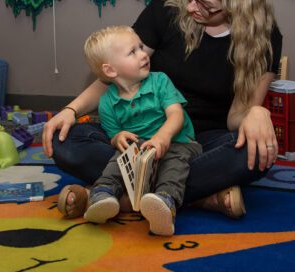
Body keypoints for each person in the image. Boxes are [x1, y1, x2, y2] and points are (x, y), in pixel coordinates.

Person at [44, 0, 282, 220]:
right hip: (139, 134)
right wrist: (70, 111)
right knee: (66, 140)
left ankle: (121, 193)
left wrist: (256, 112)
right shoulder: (164, 11)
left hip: (198, 144)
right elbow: (116, 75)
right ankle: (195, 196)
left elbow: (236, 119)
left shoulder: (264, 39)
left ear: (239, 6)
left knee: (255, 154)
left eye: (205, 5)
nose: (191, 5)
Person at [77, 26, 202, 236]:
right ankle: (103, 194)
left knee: (175, 165)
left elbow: (176, 115)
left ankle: (164, 202)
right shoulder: (107, 101)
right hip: (140, 150)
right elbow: (113, 133)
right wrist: (118, 138)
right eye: (132, 52)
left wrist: (163, 137)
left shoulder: (160, 81)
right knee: (119, 158)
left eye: (141, 47)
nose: (144, 54)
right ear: (110, 71)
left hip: (177, 142)